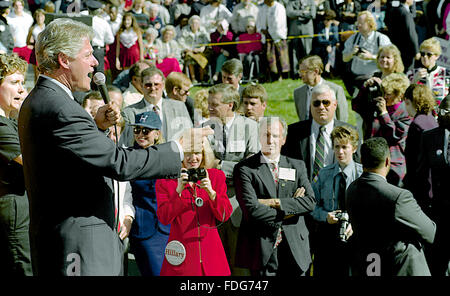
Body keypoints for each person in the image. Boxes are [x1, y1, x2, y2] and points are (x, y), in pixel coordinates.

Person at [18, 18, 201, 276]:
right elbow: (119, 163)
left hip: (69, 240)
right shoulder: (61, 108)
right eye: (88, 54)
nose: (95, 62)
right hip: (80, 246)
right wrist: (178, 150)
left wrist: (98, 127)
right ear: (64, 60)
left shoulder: (43, 99)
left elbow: (71, 158)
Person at [234, 116, 316, 276]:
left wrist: (274, 202)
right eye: (266, 135)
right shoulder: (245, 169)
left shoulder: (297, 165)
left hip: (295, 248)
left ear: (283, 139)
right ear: (259, 137)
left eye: (276, 136)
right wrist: (292, 208)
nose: (270, 140)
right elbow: (251, 210)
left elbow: (310, 202)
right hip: (262, 248)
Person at [346, 137, 436, 276]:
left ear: (362, 161)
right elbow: (429, 232)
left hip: (369, 267)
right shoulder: (398, 196)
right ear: (388, 161)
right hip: (400, 268)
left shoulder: (352, 189)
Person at [156, 130, 233, 276]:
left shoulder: (215, 176)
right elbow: (164, 218)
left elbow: (224, 215)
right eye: (187, 153)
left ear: (204, 153)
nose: (193, 158)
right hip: (181, 255)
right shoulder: (165, 181)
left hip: (212, 255)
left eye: (197, 152)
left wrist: (211, 192)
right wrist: (178, 191)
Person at [202, 83, 259, 275]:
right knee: (214, 265)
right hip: (211, 207)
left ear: (230, 105)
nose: (209, 108)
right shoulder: (205, 128)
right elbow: (202, 164)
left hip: (238, 207)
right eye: (209, 103)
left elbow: (252, 168)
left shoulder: (251, 128)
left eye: (215, 104)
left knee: (239, 268)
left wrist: (218, 165)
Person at [310, 125, 362, 276]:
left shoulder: (362, 175)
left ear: (354, 148)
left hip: (354, 237)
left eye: (344, 147)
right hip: (328, 238)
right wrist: (324, 216)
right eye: (337, 147)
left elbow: (371, 208)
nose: (340, 152)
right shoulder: (324, 174)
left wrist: (356, 223)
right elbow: (311, 204)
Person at [282, 83, 358, 182]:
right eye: (316, 103)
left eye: (326, 102)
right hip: (305, 192)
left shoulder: (349, 132)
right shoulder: (293, 132)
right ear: (310, 106)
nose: (321, 107)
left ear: (335, 105)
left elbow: (357, 166)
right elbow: (286, 164)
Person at [0, 53, 32, 276]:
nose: (21, 89)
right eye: (14, 83)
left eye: (23, 83)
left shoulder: (10, 121)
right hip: (13, 210)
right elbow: (33, 160)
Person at [127, 111, 168, 276]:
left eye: (146, 130)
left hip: (167, 228)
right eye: (137, 130)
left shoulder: (167, 156)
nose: (140, 134)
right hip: (142, 228)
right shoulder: (128, 156)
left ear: (157, 133)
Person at [416, 95, 450, 275]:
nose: (439, 116)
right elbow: (420, 175)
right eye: (440, 111)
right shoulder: (429, 137)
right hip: (438, 213)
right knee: (438, 263)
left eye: (446, 112)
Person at [121, 66, 193, 147]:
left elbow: (189, 135)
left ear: (163, 85)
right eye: (148, 85)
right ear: (141, 85)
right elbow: (127, 143)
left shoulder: (179, 107)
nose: (152, 88)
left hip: (174, 157)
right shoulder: (129, 113)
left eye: (156, 84)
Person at [367, 73, 412, 187]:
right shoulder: (378, 105)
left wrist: (383, 113)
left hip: (394, 164)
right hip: (375, 160)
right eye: (384, 93)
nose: (385, 97)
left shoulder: (406, 113)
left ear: (400, 95)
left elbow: (395, 136)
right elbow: (356, 106)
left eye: (388, 94)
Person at [352, 44, 404, 139]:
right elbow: (357, 105)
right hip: (370, 126)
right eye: (382, 57)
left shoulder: (400, 80)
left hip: (389, 124)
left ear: (395, 60)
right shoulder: (374, 76)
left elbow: (398, 106)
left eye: (388, 57)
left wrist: (382, 88)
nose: (384, 60)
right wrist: (364, 87)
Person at [342, 11, 391, 97]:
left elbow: (391, 59)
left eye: (361, 23)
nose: (358, 25)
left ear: (370, 23)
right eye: (357, 23)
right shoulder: (353, 38)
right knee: (358, 107)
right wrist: (351, 53)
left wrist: (371, 57)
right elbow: (344, 58)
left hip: (375, 79)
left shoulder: (381, 39)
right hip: (356, 80)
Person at [403, 84, 438, 195]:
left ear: (408, 102)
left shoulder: (417, 125)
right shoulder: (432, 119)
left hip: (420, 184)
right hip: (434, 181)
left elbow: (412, 158)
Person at [294, 55, 348, 123]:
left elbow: (342, 119)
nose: (300, 75)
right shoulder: (298, 93)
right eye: (300, 72)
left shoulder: (335, 90)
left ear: (315, 72)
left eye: (303, 72)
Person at [406, 37, 449, 106]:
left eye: (429, 54)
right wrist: (414, 80)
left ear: (437, 56)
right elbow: (405, 98)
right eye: (422, 54)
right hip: (419, 115)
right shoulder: (411, 73)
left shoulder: (446, 74)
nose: (425, 57)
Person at [256, 0, 290, 81]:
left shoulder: (279, 7)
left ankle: (282, 76)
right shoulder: (262, 8)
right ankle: (271, 77)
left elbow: (278, 23)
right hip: (266, 38)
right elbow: (259, 22)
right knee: (269, 58)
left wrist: (269, 32)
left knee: (280, 58)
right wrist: (262, 30)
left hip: (277, 37)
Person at [384, 0, 420, 72]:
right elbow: (411, 33)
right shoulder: (405, 13)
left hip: (395, 46)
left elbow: (386, 21)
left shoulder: (393, 9)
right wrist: (416, 51)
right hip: (407, 49)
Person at [286, 0, 316, 77]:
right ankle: (296, 73)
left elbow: (312, 14)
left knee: (307, 53)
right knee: (294, 54)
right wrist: (302, 12)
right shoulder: (291, 2)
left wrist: (296, 13)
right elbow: (289, 13)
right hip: (294, 32)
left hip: (307, 32)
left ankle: (309, 72)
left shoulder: (311, 2)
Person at [177, 15, 211, 84]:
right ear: (190, 23)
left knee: (203, 59)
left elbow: (206, 41)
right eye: (193, 23)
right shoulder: (185, 30)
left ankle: (202, 79)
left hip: (200, 51)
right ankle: (193, 79)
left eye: (196, 23)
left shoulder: (203, 30)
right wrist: (189, 49)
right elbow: (181, 42)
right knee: (189, 59)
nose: (194, 25)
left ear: (199, 24)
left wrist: (202, 48)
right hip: (189, 51)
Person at [314, 9, 340, 76]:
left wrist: (330, 45)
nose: (326, 21)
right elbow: (319, 40)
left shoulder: (334, 27)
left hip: (332, 47)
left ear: (331, 20)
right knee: (326, 50)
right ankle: (328, 66)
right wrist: (328, 44)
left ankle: (328, 65)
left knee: (332, 50)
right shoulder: (320, 26)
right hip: (322, 46)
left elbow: (335, 39)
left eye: (328, 20)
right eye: (324, 19)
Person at [236, 17, 262, 82]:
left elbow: (260, 46)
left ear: (255, 27)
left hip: (256, 53)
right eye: (248, 27)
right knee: (248, 58)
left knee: (256, 58)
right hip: (246, 54)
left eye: (252, 27)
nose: (249, 28)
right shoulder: (242, 36)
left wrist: (254, 51)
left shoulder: (258, 35)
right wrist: (242, 54)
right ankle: (247, 76)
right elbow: (240, 47)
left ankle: (258, 76)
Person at [26, 8, 45, 82]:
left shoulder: (47, 26)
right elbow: (29, 41)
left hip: (46, 52)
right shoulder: (33, 28)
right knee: (37, 73)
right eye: (38, 16)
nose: (40, 18)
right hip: (36, 52)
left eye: (41, 16)